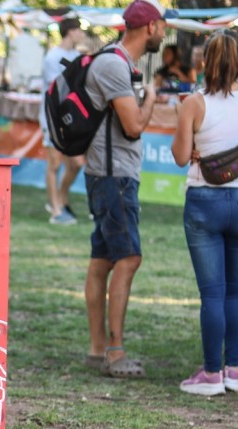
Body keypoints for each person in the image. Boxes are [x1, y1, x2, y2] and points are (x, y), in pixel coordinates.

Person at [83, 0, 173, 378]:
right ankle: (114, 353)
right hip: (112, 176)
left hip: (110, 173)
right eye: (164, 26)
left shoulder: (116, 62)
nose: (165, 33)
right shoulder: (113, 64)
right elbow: (134, 125)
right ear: (150, 27)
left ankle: (98, 348)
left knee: (103, 262)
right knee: (129, 258)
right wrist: (151, 97)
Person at [172, 29, 238, 395]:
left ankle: (211, 375)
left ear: (205, 61)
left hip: (204, 203)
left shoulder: (194, 103)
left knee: (211, 294)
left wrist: (195, 146)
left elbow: (180, 157)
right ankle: (234, 369)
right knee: (234, 290)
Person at [41, 18, 86, 226]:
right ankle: (56, 210)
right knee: (54, 163)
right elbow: (57, 90)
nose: (83, 34)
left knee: (76, 163)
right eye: (80, 30)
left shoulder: (76, 56)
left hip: (70, 116)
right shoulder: (52, 57)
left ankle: (60, 198)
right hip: (53, 115)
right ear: (70, 32)